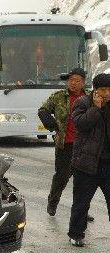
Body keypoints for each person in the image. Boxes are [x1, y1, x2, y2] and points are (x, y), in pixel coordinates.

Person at [38, 67, 93, 221]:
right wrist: (50, 123)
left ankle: (82, 211)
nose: (73, 83)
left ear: (83, 83)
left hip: (85, 146)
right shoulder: (59, 96)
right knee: (62, 177)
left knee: (83, 181)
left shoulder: (90, 98)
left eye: (77, 81)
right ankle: (53, 202)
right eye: (71, 80)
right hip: (65, 144)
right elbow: (43, 110)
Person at [68, 73, 110, 246]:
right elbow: (80, 123)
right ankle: (76, 234)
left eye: (109, 89)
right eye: (103, 89)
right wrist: (96, 108)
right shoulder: (83, 103)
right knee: (81, 202)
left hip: (108, 165)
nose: (106, 93)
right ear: (95, 90)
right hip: (86, 164)